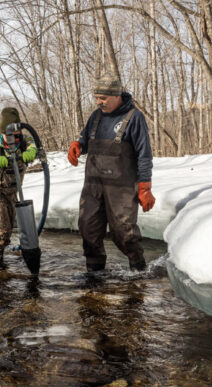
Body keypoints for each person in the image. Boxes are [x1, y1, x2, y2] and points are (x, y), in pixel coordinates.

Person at [67, 73, 156, 272]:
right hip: (93, 186)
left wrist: (145, 187)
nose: (99, 102)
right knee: (88, 228)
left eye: (103, 98)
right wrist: (78, 145)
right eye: (97, 97)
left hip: (122, 188)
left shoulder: (134, 117)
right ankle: (95, 274)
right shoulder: (96, 116)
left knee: (124, 233)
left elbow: (144, 155)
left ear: (117, 96)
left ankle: (139, 272)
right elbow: (85, 138)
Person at [0, 107, 37, 267]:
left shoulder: (26, 141)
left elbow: (36, 148)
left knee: (8, 230)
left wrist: (31, 153)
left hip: (12, 192)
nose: (14, 139)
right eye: (9, 136)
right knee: (1, 232)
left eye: (16, 136)